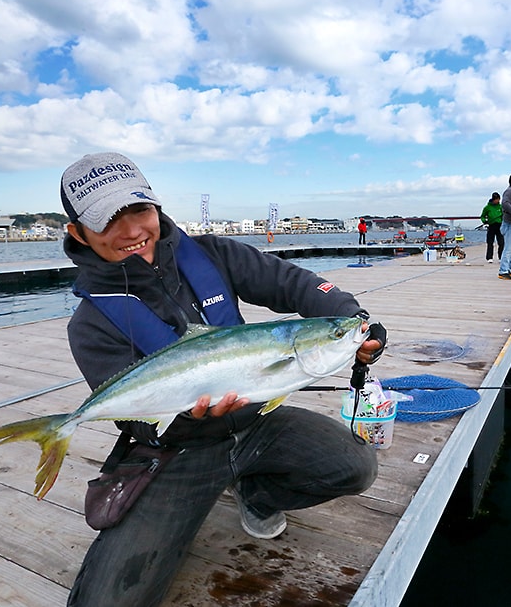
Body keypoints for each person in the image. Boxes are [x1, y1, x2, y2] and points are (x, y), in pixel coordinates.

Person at [59, 152, 386, 607]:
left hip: (256, 422)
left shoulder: (214, 253)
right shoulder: (91, 322)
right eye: (108, 220)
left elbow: (293, 284)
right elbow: (136, 421)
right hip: (176, 450)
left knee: (355, 466)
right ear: (77, 232)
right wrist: (190, 420)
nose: (132, 230)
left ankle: (255, 493)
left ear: (156, 206)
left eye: (139, 209)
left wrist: (353, 320)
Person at [480, 192, 503, 261]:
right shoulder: (487, 207)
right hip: (491, 225)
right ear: (493, 199)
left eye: (498, 199)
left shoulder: (501, 207)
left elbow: (504, 215)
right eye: (496, 199)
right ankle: (489, 257)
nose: (498, 201)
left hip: (499, 225)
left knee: (501, 242)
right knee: (490, 242)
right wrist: (485, 221)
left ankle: (501, 257)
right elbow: (482, 216)